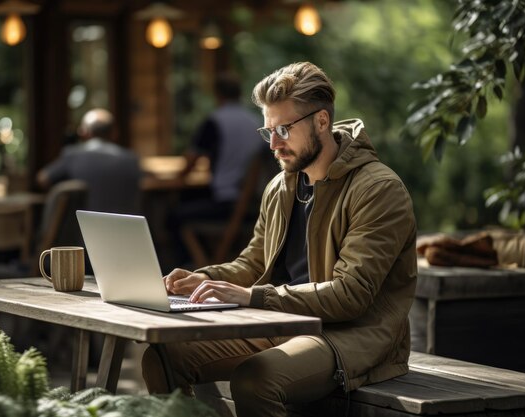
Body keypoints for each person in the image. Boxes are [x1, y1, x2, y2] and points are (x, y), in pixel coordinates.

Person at [141, 62, 418, 417]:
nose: (273, 143)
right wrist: (205, 279)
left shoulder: (378, 189)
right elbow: (255, 262)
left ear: (321, 121)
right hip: (280, 321)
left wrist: (252, 296)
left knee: (256, 379)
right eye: (268, 130)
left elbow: (352, 295)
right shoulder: (281, 185)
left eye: (284, 129)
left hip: (349, 336)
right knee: (163, 357)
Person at [169, 73, 263, 266]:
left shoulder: (215, 121)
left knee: (173, 216)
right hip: (255, 205)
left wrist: (175, 177)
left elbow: (189, 165)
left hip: (226, 203)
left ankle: (189, 266)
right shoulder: (257, 122)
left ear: (217, 95)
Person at [36, 108, 142, 214]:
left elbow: (43, 178)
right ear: (114, 133)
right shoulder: (131, 159)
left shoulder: (73, 155)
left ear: (83, 132)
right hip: (123, 227)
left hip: (82, 227)